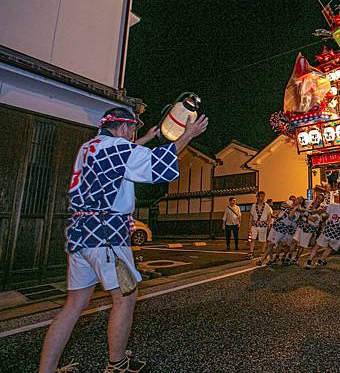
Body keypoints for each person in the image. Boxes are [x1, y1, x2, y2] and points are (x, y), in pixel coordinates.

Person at [39, 107, 208, 373]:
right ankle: (117, 364)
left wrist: (145, 140)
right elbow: (156, 166)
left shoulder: (88, 147)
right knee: (125, 298)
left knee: (73, 306)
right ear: (123, 127)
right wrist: (187, 135)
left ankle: (46, 370)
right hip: (107, 236)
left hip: (80, 235)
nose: (133, 134)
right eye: (132, 129)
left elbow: (116, 160)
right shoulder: (119, 148)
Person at [305, 193, 340, 269]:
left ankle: (309, 262)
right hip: (337, 233)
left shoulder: (332, 205)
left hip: (328, 230)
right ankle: (320, 261)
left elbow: (326, 215)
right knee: (330, 248)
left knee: (317, 246)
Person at [288, 194, 325, 264]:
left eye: (321, 200)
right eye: (318, 198)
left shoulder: (320, 209)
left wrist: (304, 214)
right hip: (301, 224)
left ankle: (296, 259)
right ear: (316, 197)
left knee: (302, 245)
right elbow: (301, 202)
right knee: (294, 241)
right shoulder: (309, 202)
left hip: (309, 229)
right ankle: (289, 257)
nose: (318, 200)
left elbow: (313, 219)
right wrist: (297, 201)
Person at [247, 191, 272, 259]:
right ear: (257, 197)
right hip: (254, 224)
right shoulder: (253, 205)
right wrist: (249, 226)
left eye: (263, 196)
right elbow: (251, 216)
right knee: (253, 238)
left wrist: (269, 224)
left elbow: (269, 215)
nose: (262, 198)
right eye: (261, 196)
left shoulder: (266, 206)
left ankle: (263, 252)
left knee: (263, 240)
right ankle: (251, 252)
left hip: (263, 224)